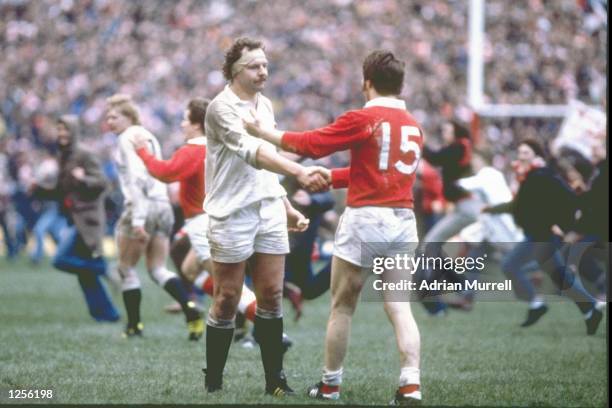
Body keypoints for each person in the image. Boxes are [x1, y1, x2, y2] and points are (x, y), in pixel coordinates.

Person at [245, 49, 424, 405]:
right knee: (400, 306)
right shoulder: (414, 126)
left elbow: (313, 144)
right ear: (400, 85)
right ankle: (410, 383)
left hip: (367, 220)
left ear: (366, 82)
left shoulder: (364, 117)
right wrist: (334, 179)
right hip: (403, 222)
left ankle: (329, 385)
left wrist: (264, 132)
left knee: (342, 307)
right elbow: (381, 173)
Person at [202, 37, 322, 396]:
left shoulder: (265, 104)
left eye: (265, 65)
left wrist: (286, 206)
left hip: (268, 209)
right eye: (255, 66)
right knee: (227, 296)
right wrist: (298, 172)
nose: (263, 71)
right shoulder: (220, 108)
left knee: (271, 293)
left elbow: (265, 165)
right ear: (235, 71)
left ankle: (275, 382)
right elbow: (253, 152)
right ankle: (214, 380)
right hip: (231, 212)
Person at [105, 94, 203, 340]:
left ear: (129, 117)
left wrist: (137, 219)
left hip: (142, 206)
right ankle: (190, 309)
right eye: (108, 116)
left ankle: (134, 327)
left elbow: (138, 177)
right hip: (162, 207)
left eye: (115, 116)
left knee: (125, 268)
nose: (109, 121)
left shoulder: (128, 138)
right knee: (157, 268)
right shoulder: (149, 135)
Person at [485, 139, 604, 334]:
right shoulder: (530, 176)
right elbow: (519, 206)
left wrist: (562, 226)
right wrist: (492, 209)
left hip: (540, 235)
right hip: (536, 233)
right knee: (560, 277)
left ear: (536, 155)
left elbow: (569, 199)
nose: (521, 156)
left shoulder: (542, 175)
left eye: (526, 153)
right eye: (520, 152)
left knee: (509, 266)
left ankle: (536, 304)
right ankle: (590, 310)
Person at [32, 115, 119, 322]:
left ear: (74, 132)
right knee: (85, 275)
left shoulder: (85, 154)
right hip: (73, 217)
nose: (61, 134)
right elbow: (62, 191)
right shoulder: (63, 155)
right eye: (59, 130)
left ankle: (105, 268)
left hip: (86, 220)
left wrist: (84, 178)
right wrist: (39, 191)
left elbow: (102, 184)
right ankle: (107, 315)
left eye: (65, 130)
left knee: (60, 260)